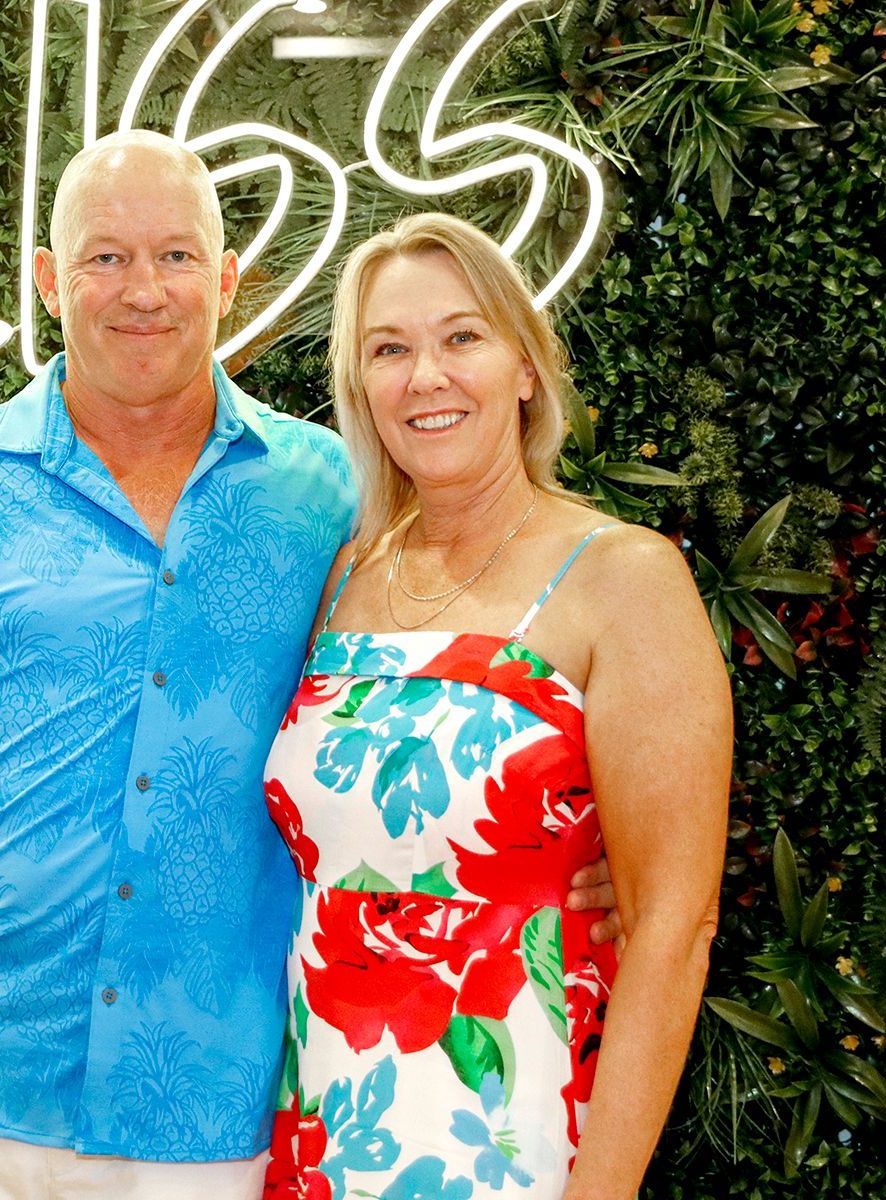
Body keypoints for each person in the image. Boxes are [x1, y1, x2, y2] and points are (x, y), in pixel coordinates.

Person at [0, 132, 621, 1200]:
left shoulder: (335, 496)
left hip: (214, 1118)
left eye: (177, 257)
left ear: (228, 281)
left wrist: (583, 861)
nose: (143, 291)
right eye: (105, 257)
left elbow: (445, 683)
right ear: (48, 278)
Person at [261, 214, 730, 1200]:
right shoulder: (348, 576)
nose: (426, 376)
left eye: (462, 336)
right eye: (389, 349)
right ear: (361, 389)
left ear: (526, 366)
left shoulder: (623, 580)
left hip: (517, 1138)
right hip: (324, 1128)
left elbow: (671, 925)